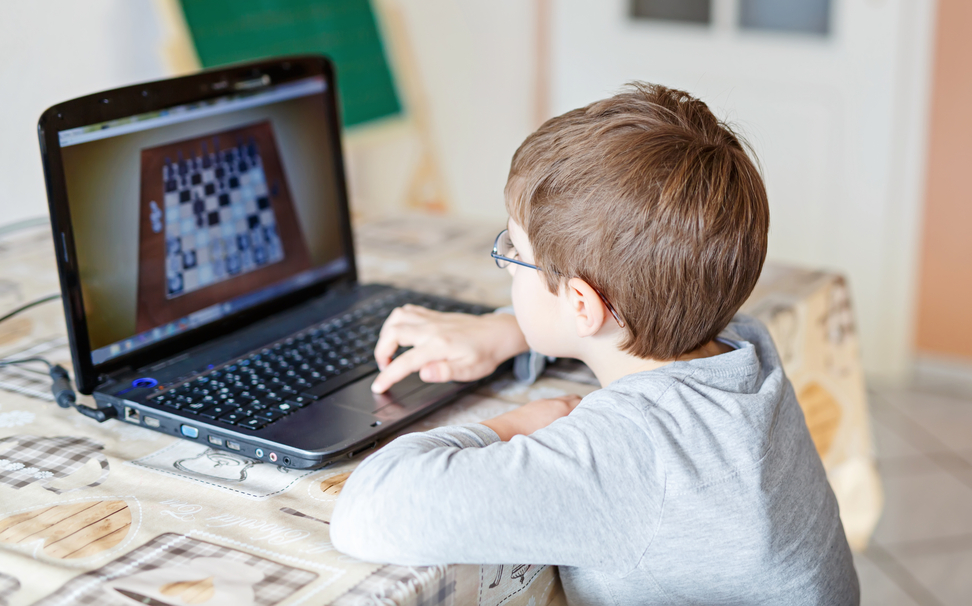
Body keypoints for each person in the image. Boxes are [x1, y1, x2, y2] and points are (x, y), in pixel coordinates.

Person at [330, 83, 859, 605]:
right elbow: (621, 315)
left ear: (583, 305)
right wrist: (512, 330)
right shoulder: (740, 339)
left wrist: (514, 425)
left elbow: (369, 511)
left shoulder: (625, 457)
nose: (507, 266)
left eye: (514, 252)